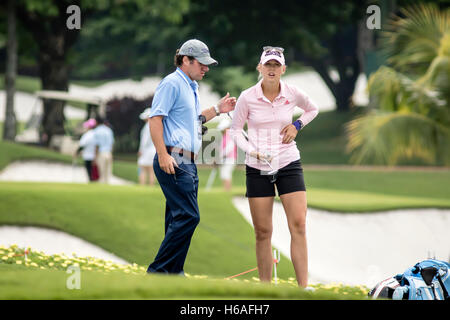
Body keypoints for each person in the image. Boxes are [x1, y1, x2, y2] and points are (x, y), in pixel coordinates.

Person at [230, 46, 319, 287]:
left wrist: (297, 125)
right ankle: (266, 288)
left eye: (276, 65)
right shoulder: (247, 96)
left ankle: (304, 287)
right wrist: (251, 150)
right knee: (262, 231)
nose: (271, 69)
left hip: (288, 161)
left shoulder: (292, 92)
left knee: (299, 223)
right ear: (260, 68)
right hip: (257, 166)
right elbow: (236, 130)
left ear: (283, 69)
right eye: (267, 65)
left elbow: (313, 109)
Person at [147, 39, 236, 275]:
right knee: (189, 216)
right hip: (174, 158)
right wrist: (162, 154)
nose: (206, 68)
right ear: (186, 60)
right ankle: (159, 271)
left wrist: (217, 109)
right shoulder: (172, 83)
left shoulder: (191, 86)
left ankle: (174, 272)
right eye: (202, 63)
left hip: (187, 161)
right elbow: (155, 119)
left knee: (177, 218)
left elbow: (193, 121)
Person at [138, 108, 156, 186]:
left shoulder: (147, 126)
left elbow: (144, 140)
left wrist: (140, 150)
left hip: (147, 150)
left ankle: (142, 185)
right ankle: (151, 186)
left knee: (143, 168)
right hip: (154, 150)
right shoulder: (156, 125)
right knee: (151, 169)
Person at [93, 116, 114, 184]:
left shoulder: (97, 131)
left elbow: (97, 145)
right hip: (108, 153)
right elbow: (112, 144)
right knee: (108, 172)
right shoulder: (108, 130)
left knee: (101, 172)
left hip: (101, 153)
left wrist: (95, 157)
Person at [217, 118, 237, 191]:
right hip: (225, 159)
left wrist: (221, 155)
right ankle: (225, 190)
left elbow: (230, 147)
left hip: (230, 158)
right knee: (223, 175)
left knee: (226, 174)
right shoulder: (225, 135)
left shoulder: (229, 134)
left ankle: (227, 190)